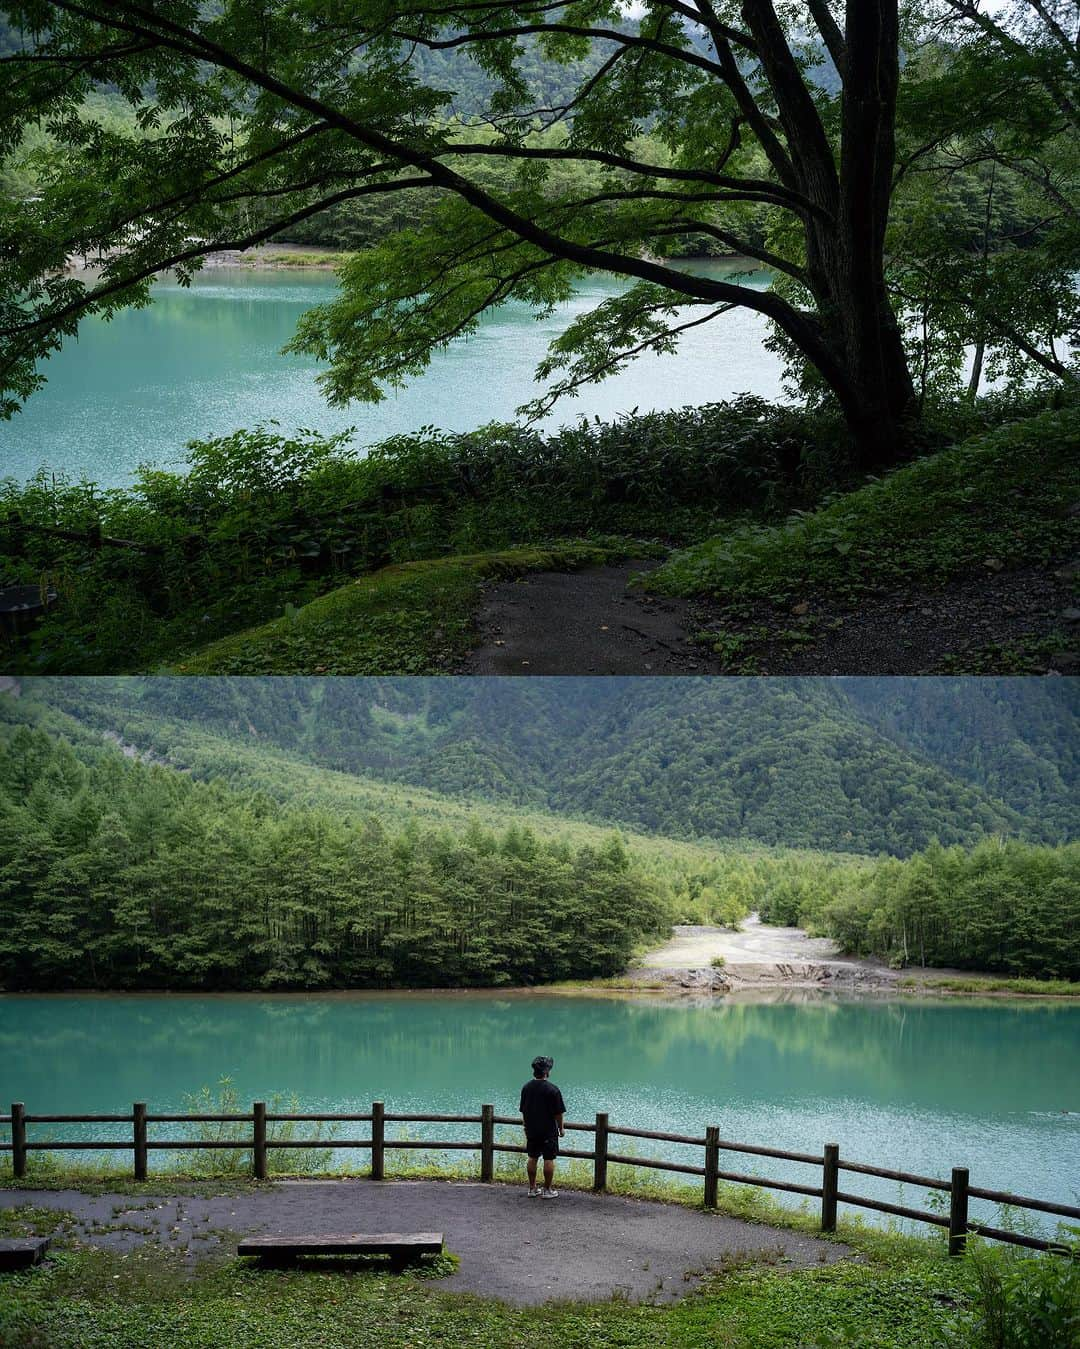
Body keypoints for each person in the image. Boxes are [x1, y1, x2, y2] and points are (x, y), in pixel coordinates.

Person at [518, 1054, 565, 1198]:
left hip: (532, 1129)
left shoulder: (526, 1088)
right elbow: (558, 1113)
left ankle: (532, 1189)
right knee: (548, 1158)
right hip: (548, 1130)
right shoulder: (553, 1090)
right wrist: (561, 1128)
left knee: (532, 1157)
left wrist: (526, 1128)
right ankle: (547, 1190)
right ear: (546, 1072)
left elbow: (524, 1111)